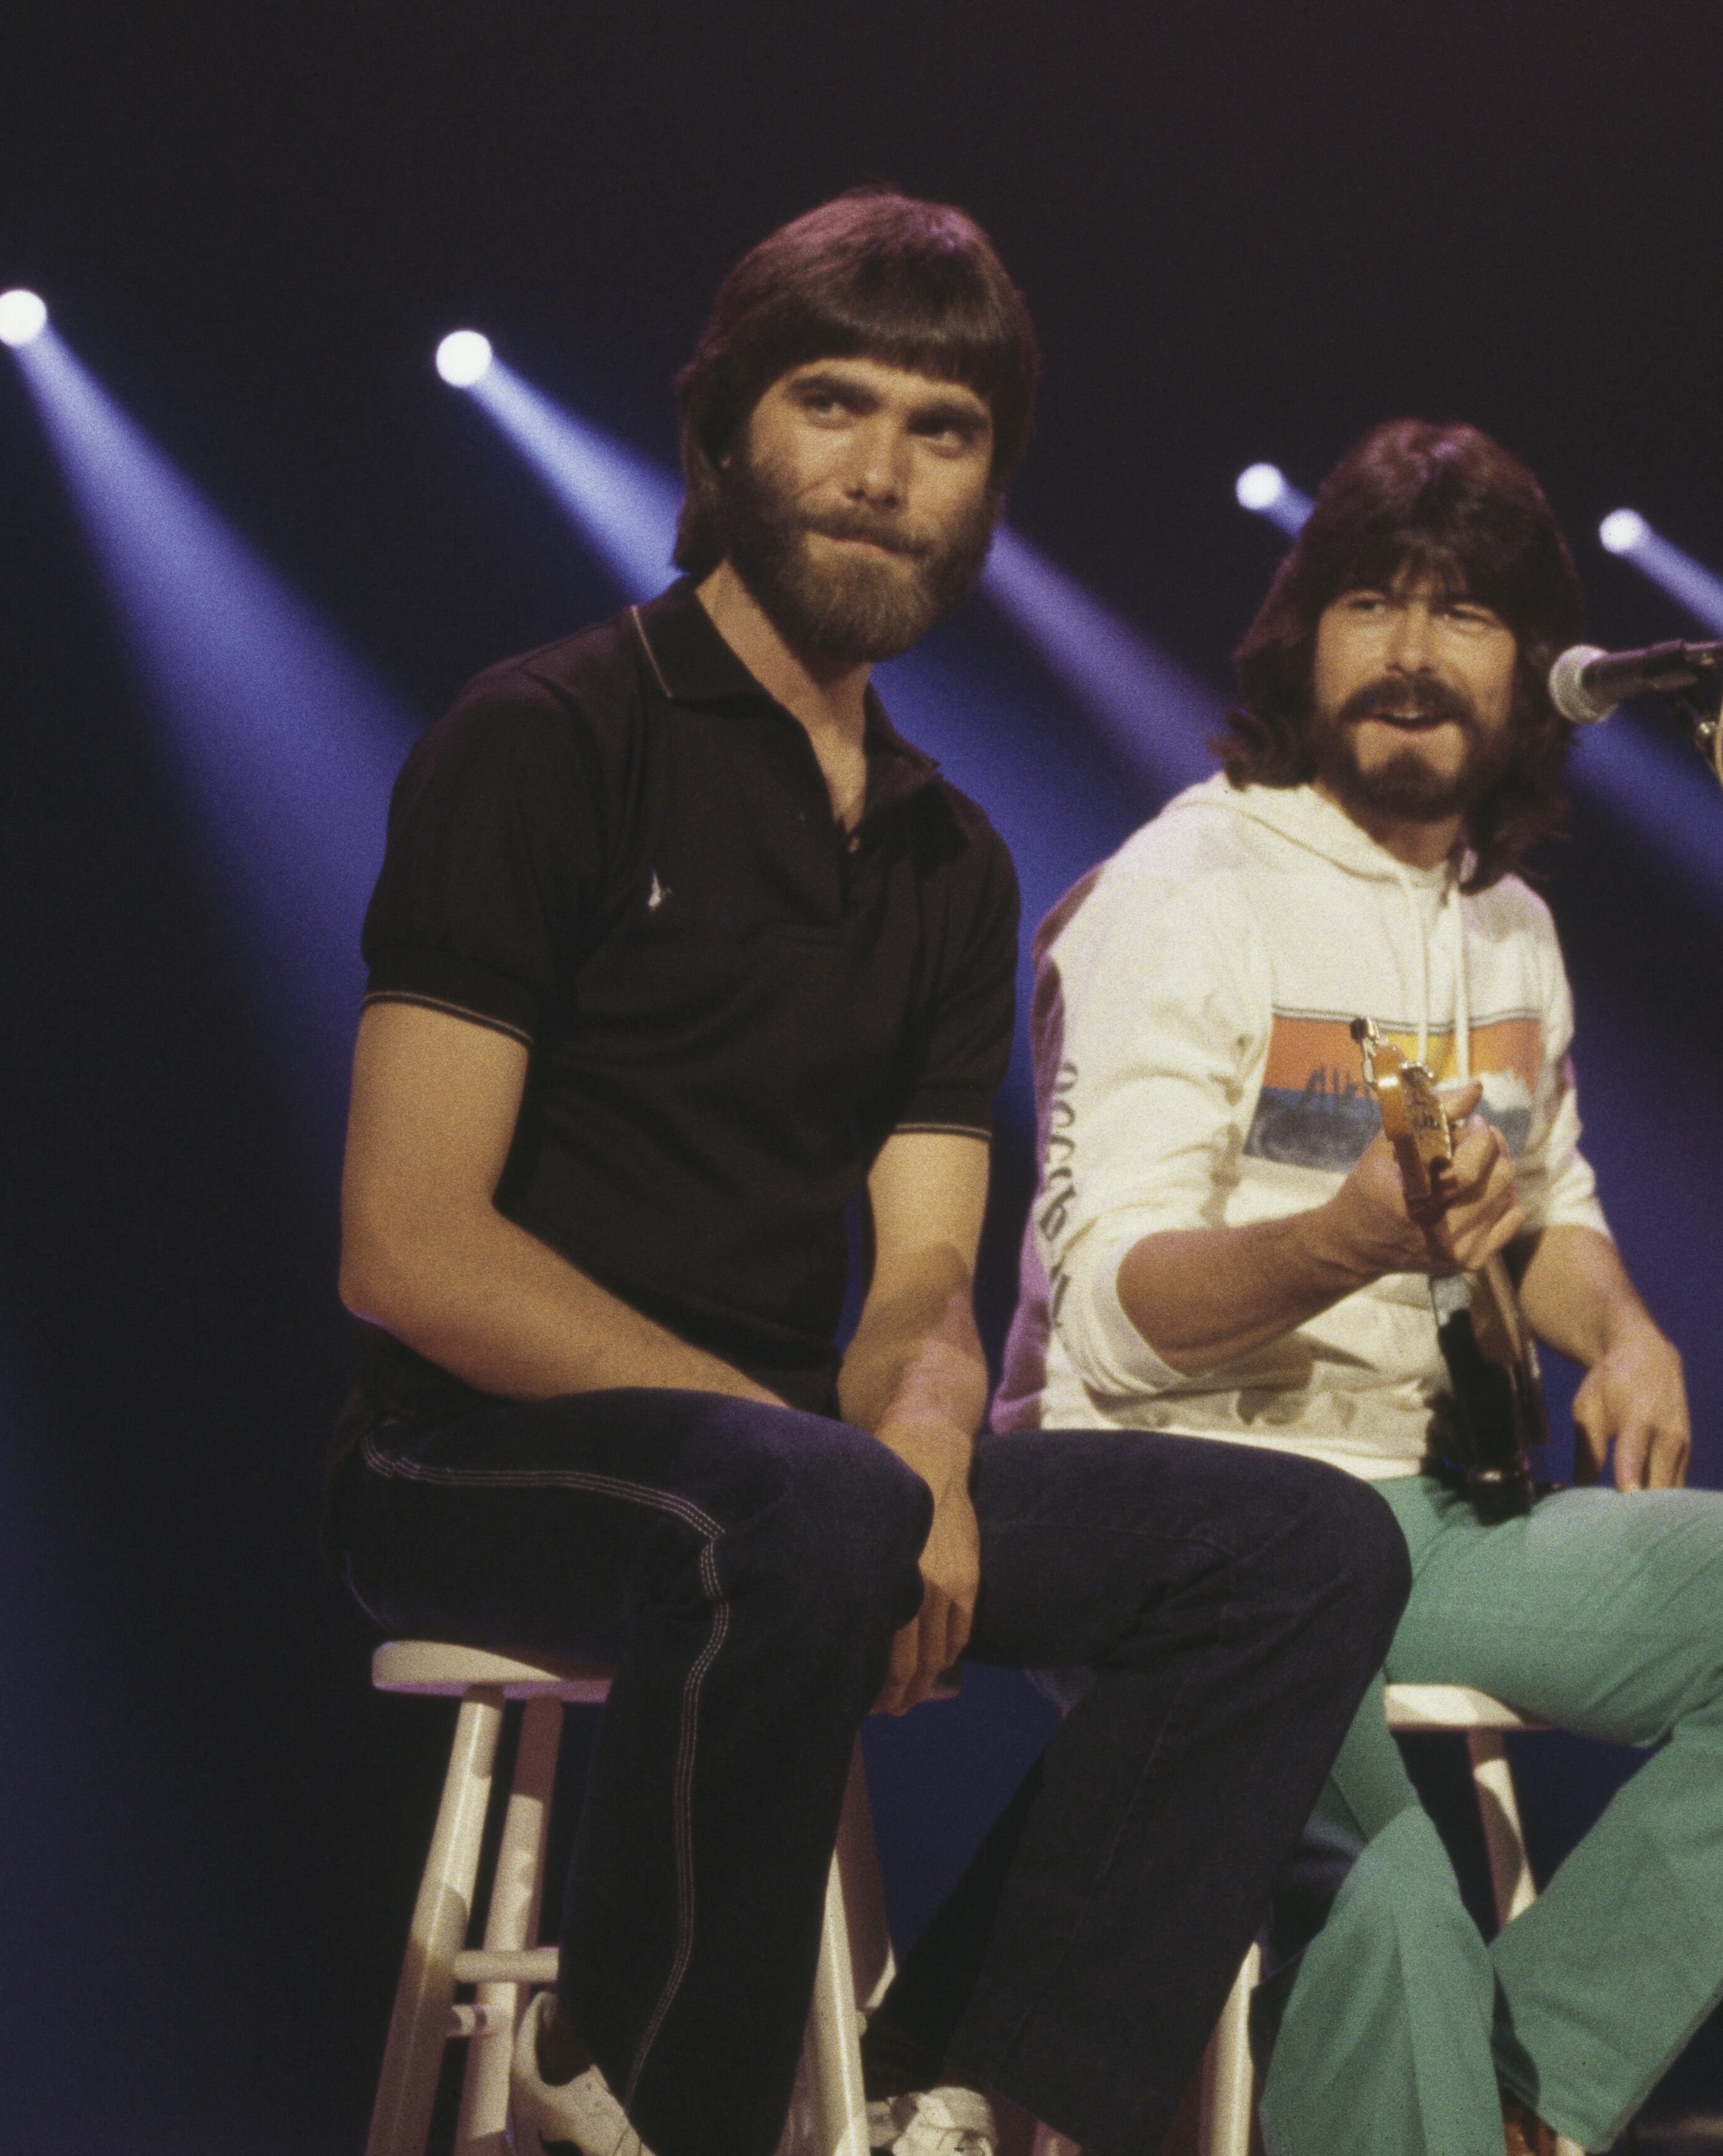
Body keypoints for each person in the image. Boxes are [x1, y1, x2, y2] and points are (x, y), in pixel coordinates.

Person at [326, 190, 1408, 2156]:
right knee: (800, 1510)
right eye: (834, 405)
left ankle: (970, 2096)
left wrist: (918, 1445)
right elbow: (408, 1250)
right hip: (473, 1451)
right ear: (725, 426)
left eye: (945, 429)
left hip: (789, 1488)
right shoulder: (550, 738)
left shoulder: (945, 852)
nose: (883, 473)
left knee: (1304, 1549)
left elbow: (923, 1271)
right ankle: (637, 2104)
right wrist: (824, 1464)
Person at [935, 419, 1723, 2156]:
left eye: (1466, 612)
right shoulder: (1182, 892)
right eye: (1371, 604)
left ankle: (1514, 2091)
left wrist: (1622, 1327)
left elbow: (1546, 1201)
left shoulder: (1508, 928)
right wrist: (1342, 1239)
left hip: (1424, 1511)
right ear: (1297, 641)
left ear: (1535, 671)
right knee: (1398, 1915)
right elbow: (1104, 1318)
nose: (1412, 651)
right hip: (1180, 1522)